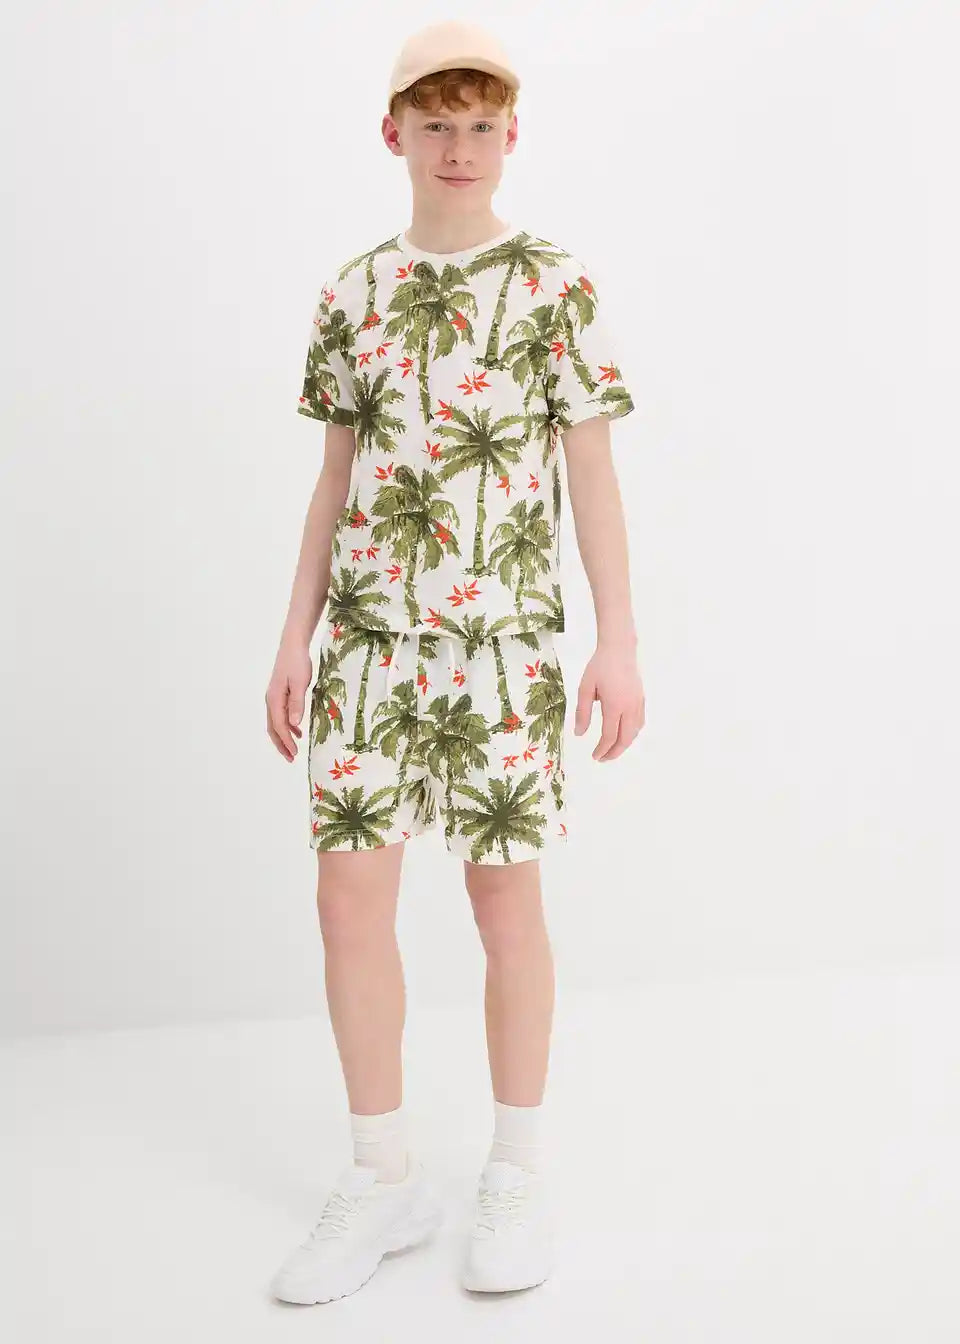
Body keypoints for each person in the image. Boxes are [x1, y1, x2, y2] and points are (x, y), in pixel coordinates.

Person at [264, 19, 645, 1303]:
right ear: (395, 134)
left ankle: (515, 1171)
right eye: (437, 124)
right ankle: (382, 1175)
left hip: (503, 650)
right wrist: (293, 635)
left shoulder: (554, 285)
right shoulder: (353, 292)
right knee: (347, 902)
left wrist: (618, 641)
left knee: (504, 906)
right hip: (370, 645)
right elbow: (333, 481)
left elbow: (592, 475)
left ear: (512, 135)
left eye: (481, 125)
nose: (460, 147)